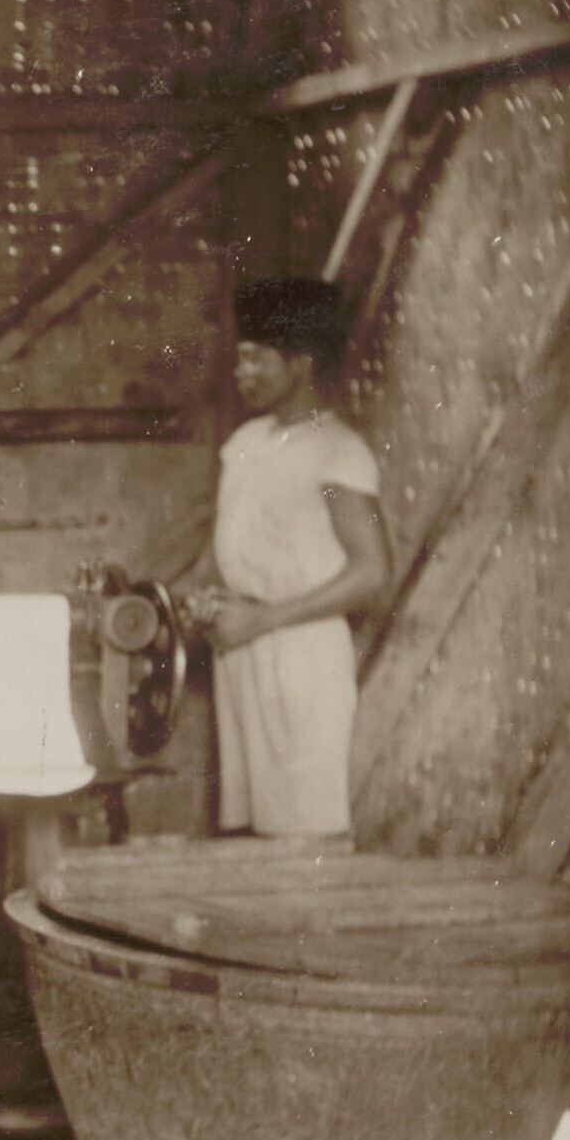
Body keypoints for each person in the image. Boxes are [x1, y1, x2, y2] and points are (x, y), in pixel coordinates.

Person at [177, 276, 391, 837]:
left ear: (300, 364)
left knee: (307, 826)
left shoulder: (337, 450)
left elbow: (372, 572)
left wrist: (264, 618)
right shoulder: (246, 444)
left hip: (301, 655)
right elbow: (225, 548)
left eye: (256, 359)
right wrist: (187, 600)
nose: (241, 372)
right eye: (240, 359)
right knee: (257, 827)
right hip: (240, 649)